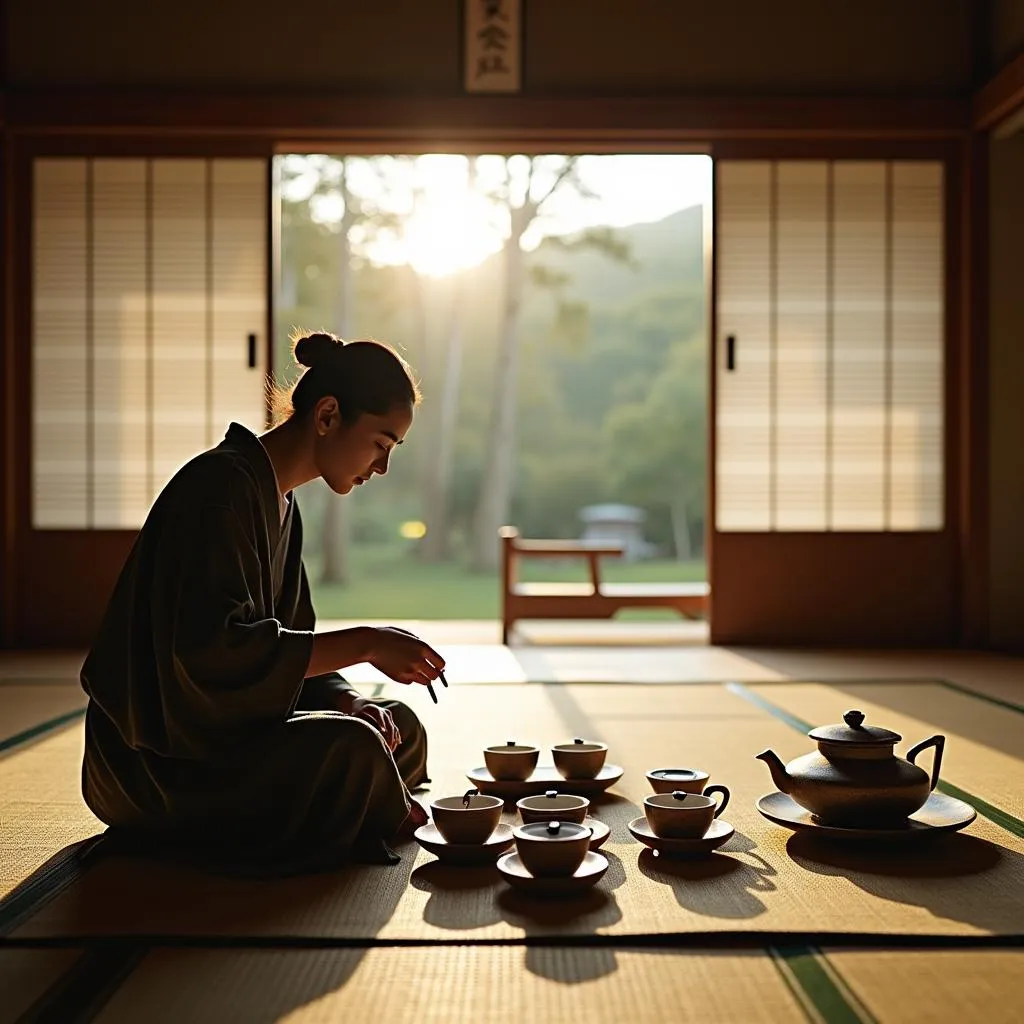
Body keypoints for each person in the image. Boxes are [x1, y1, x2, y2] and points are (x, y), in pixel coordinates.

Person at [79, 330, 444, 872]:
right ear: (327, 415)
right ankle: (367, 799)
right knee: (354, 752)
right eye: (380, 444)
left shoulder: (280, 504)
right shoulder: (218, 489)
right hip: (155, 767)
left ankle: (364, 794)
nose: (382, 467)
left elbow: (296, 649)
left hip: (221, 742)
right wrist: (367, 643)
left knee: (396, 728)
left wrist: (348, 701)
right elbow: (214, 654)